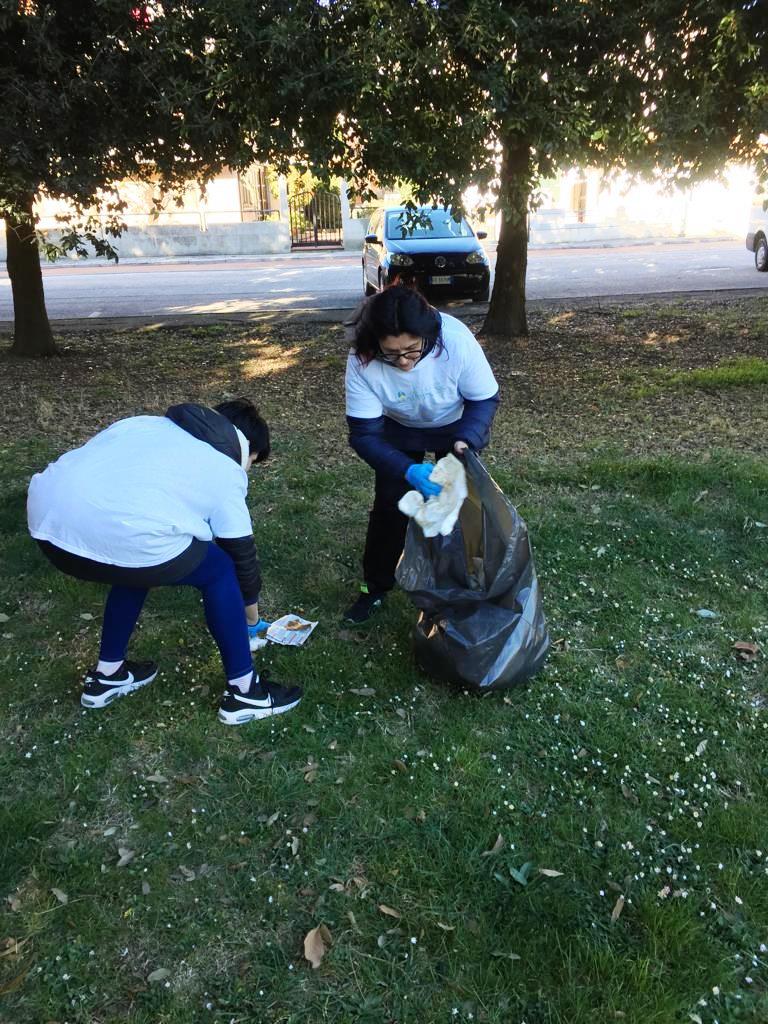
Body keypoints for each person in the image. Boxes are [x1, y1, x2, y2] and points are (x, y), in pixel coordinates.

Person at [27, 399, 302, 725]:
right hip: (110, 532)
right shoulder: (226, 467)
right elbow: (240, 553)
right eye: (253, 462)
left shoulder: (143, 423)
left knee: (134, 559)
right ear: (246, 447)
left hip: (46, 524)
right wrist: (252, 620)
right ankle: (245, 692)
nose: (249, 469)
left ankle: (108, 674)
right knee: (219, 570)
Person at [343, 284, 500, 623]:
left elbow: (484, 399)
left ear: (429, 336)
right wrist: (406, 470)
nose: (403, 363)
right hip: (397, 427)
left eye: (412, 350)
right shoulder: (362, 359)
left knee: (460, 504)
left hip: (453, 425)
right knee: (390, 506)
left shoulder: (456, 341)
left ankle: (463, 582)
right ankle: (375, 587)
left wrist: (466, 440)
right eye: (391, 353)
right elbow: (364, 434)